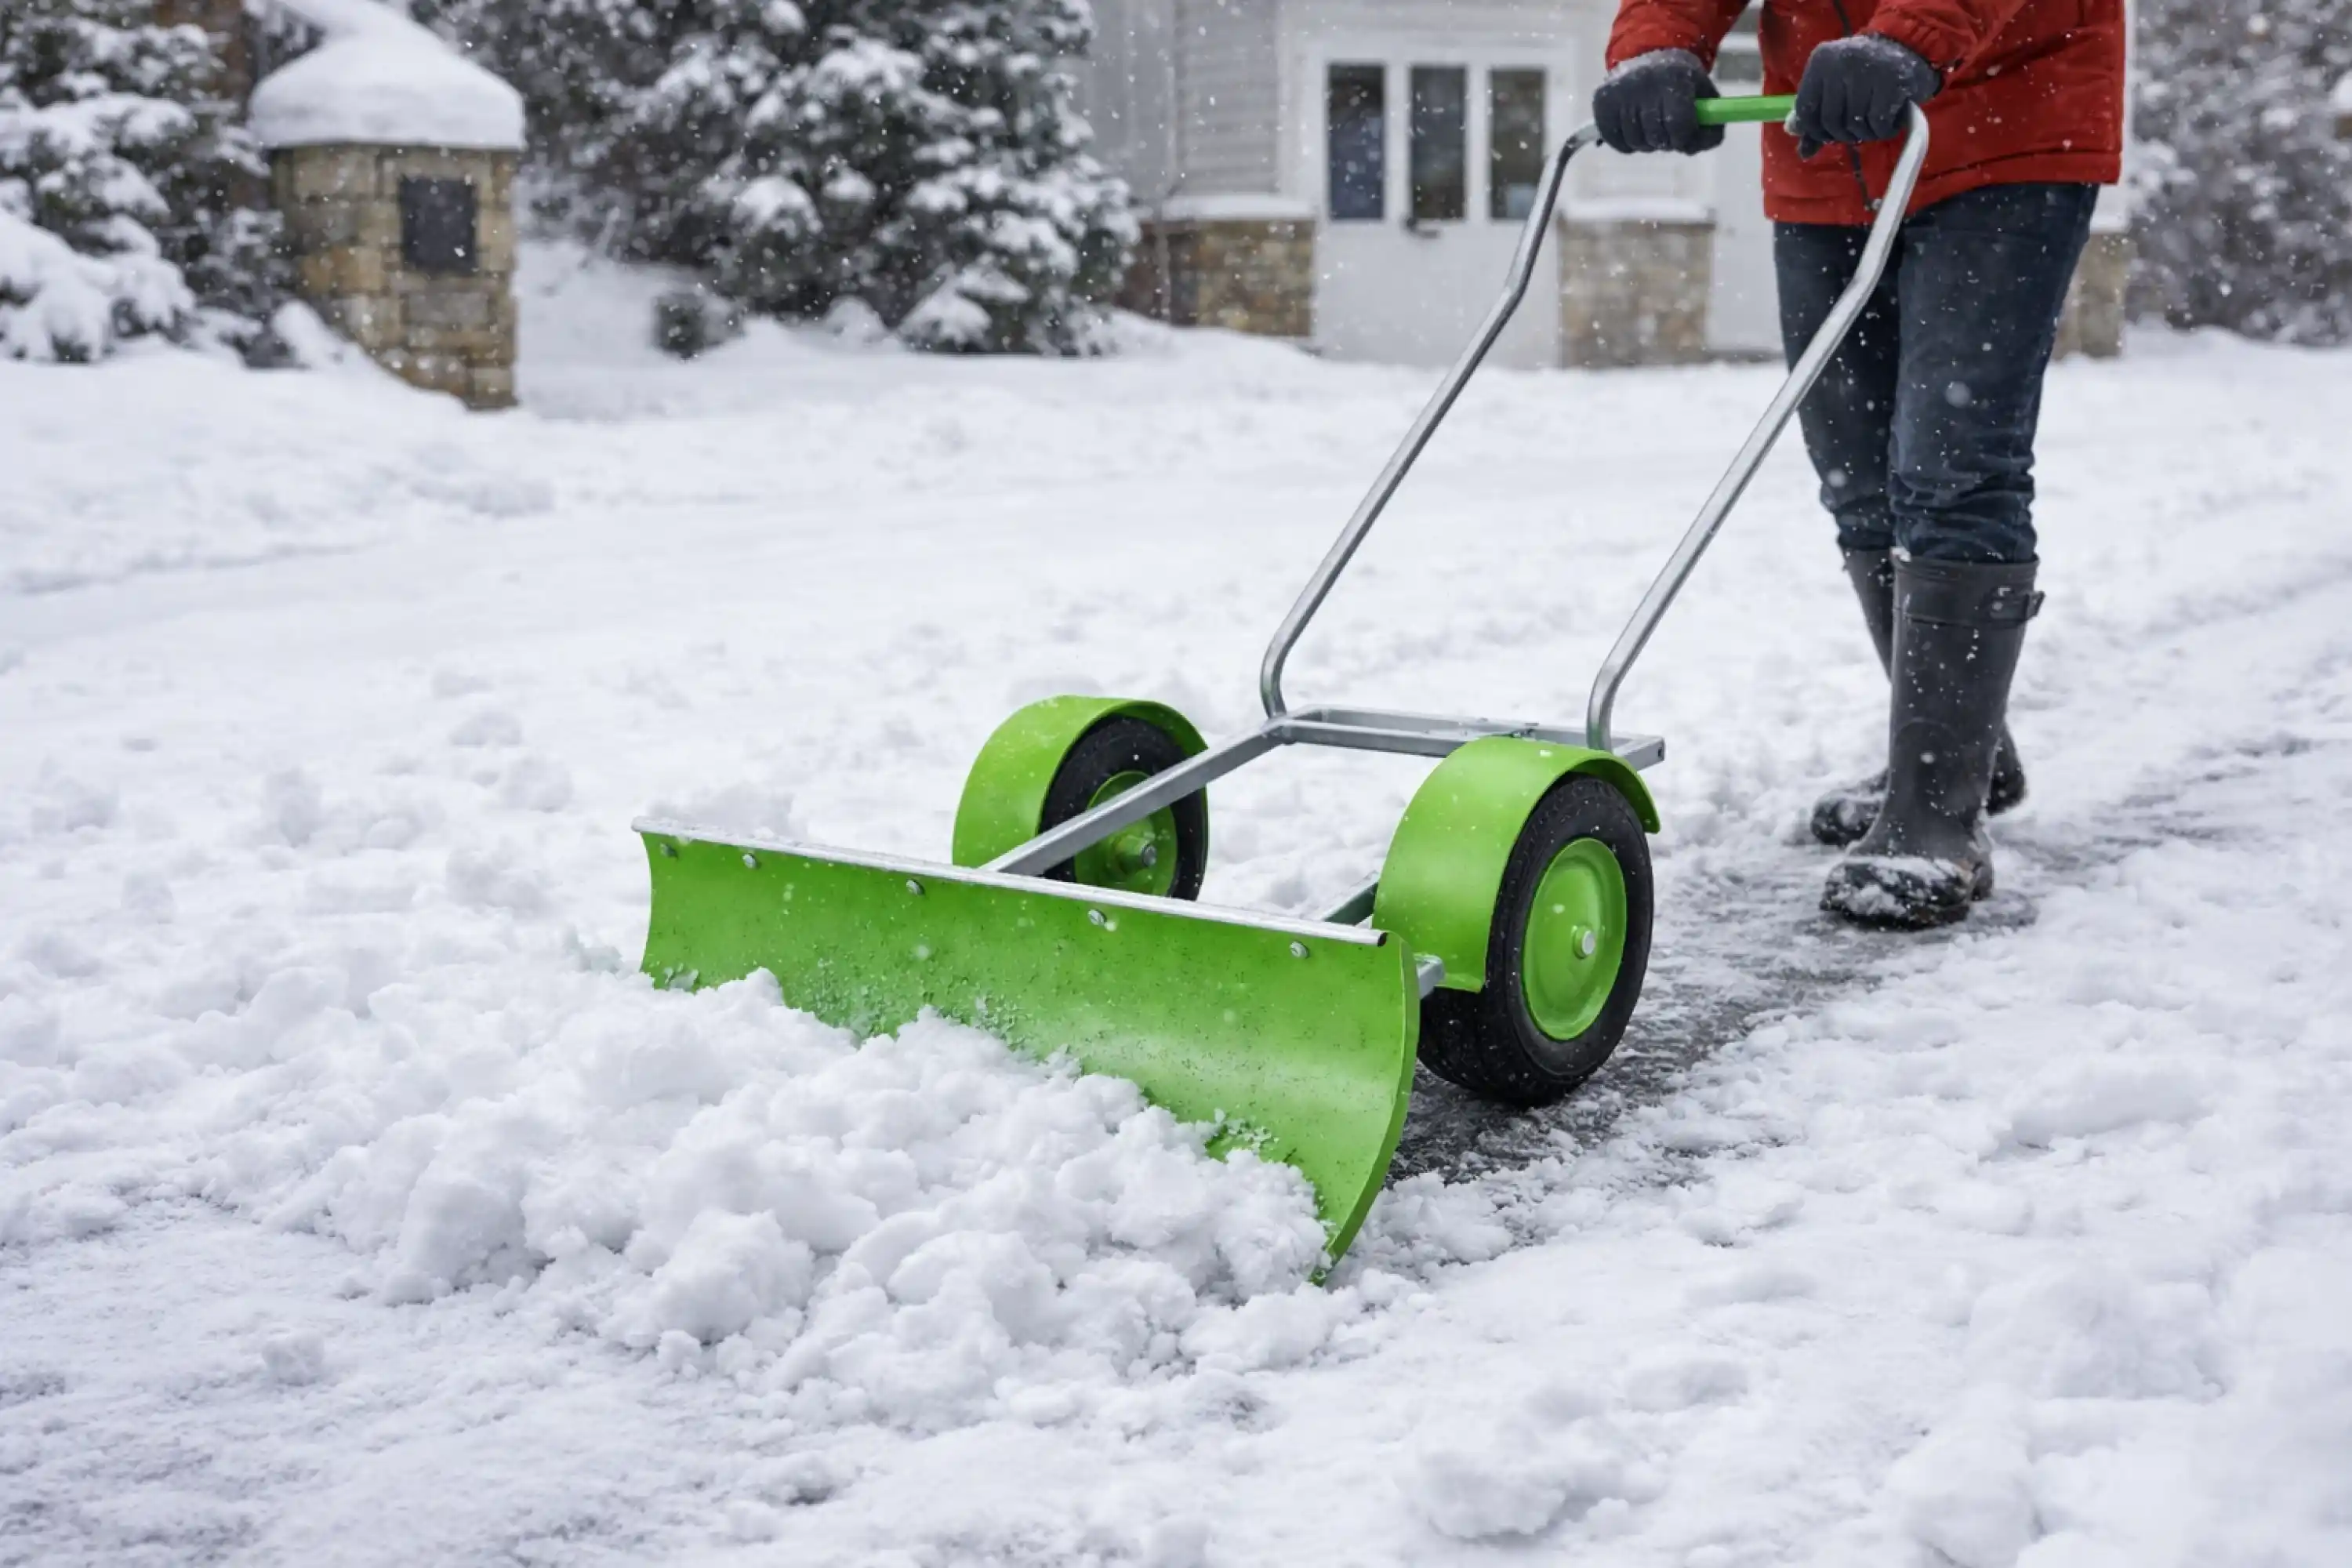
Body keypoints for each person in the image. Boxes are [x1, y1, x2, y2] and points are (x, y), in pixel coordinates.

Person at [1592, 1, 2125, 927]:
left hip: (2000, 126)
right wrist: (1658, 46)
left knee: (1955, 468)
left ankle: (1937, 815)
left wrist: (1911, 35)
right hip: (1826, 144)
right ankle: (1962, 754)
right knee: (1856, 470)